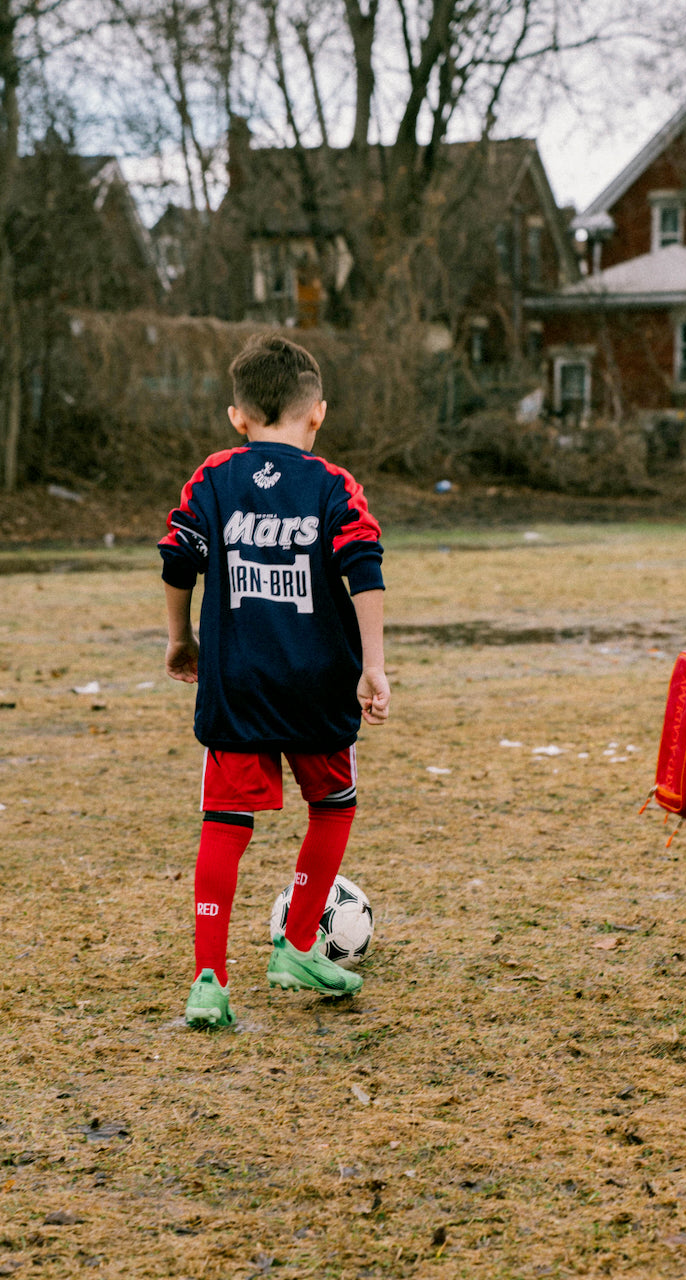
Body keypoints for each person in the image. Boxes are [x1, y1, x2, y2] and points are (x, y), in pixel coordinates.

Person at [160, 334, 391, 1026]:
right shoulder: (333, 485)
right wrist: (373, 665)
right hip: (319, 681)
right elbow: (365, 569)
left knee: (224, 823)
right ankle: (296, 947)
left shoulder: (213, 477)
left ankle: (209, 981)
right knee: (334, 804)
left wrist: (180, 638)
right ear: (317, 412)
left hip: (237, 682)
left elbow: (177, 559)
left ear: (237, 416)